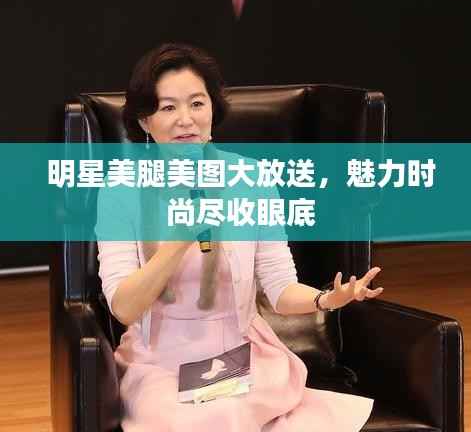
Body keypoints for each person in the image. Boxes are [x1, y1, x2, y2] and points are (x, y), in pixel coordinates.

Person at [95, 42, 384, 431]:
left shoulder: (251, 179)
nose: (186, 120)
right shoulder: (120, 191)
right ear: (145, 122)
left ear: (213, 109)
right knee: (197, 418)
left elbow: (279, 286)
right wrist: (178, 241)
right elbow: (124, 308)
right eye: (168, 108)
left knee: (233, 412)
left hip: (242, 355)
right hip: (161, 363)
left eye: (197, 104)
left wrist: (326, 299)